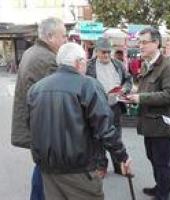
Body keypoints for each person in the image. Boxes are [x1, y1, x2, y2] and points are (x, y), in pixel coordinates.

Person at [26, 42, 132, 200]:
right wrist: (122, 156)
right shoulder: (88, 85)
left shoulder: (36, 88)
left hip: (48, 169)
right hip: (79, 169)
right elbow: (105, 129)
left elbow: (31, 126)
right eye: (84, 60)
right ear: (79, 62)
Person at [11, 17, 67, 200]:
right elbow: (56, 99)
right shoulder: (47, 59)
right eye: (63, 36)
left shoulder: (33, 52)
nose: (65, 41)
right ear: (50, 37)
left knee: (43, 169)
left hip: (35, 126)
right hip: (43, 128)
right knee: (47, 174)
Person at [126, 27, 170, 200]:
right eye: (139, 42)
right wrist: (132, 95)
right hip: (149, 124)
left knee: (162, 163)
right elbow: (145, 89)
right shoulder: (146, 64)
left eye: (144, 42)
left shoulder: (168, 65)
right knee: (153, 159)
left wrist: (140, 98)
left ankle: (164, 195)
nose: (140, 46)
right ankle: (159, 187)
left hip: (162, 125)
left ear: (156, 43)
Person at [86, 37, 132, 175]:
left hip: (115, 105)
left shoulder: (118, 64)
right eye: (103, 52)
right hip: (97, 107)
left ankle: (119, 165)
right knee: (98, 137)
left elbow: (128, 80)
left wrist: (124, 89)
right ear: (96, 52)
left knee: (116, 135)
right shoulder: (89, 66)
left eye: (108, 52)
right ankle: (101, 166)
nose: (106, 55)